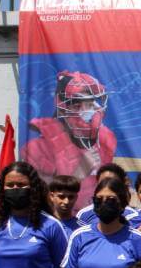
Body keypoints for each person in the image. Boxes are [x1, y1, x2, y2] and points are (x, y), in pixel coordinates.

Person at [22, 71, 116, 210]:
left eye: (92, 102)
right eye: (80, 104)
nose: (94, 109)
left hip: (96, 217)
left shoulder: (105, 139)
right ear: (64, 108)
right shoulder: (39, 148)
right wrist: (79, 173)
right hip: (60, 218)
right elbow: (42, 196)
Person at [76, 163, 141, 227]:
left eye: (112, 182)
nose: (107, 186)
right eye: (103, 182)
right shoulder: (83, 215)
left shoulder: (133, 216)